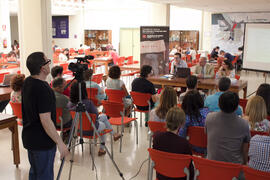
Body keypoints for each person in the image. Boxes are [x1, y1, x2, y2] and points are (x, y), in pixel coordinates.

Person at [22, 52, 69, 180]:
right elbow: (46, 120)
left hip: (30, 138)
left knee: (35, 173)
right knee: (44, 175)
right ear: (43, 68)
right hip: (42, 142)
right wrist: (60, 143)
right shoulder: (44, 89)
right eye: (48, 61)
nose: (50, 63)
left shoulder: (27, 82)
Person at [68, 81, 121, 156]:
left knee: (103, 116)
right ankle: (102, 149)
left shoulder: (69, 104)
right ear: (84, 90)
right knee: (103, 124)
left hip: (78, 130)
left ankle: (114, 134)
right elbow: (96, 115)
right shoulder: (88, 103)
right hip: (91, 130)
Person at [205, 92, 250, 165]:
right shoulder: (243, 124)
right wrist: (245, 163)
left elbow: (207, 134)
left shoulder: (209, 117)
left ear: (219, 105)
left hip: (211, 165)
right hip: (234, 169)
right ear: (236, 108)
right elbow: (245, 150)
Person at [153, 107, 193, 180]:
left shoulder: (156, 137)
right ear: (181, 124)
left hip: (161, 176)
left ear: (166, 120)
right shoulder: (184, 144)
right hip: (179, 177)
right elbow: (189, 168)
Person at [179, 90, 209, 154]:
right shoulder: (208, 113)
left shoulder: (186, 118)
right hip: (209, 147)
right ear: (200, 100)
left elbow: (181, 136)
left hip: (193, 148)